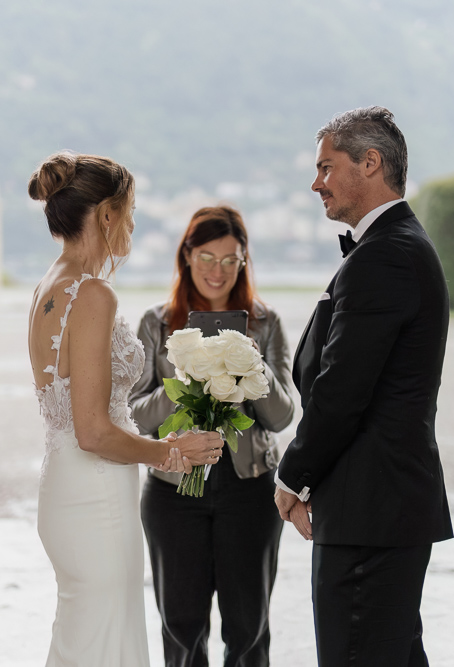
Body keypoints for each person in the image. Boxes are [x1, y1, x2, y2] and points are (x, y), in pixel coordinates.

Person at [27, 151, 223, 667]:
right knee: (106, 644)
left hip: (63, 489)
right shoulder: (92, 294)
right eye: (130, 213)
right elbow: (93, 431)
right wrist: (168, 451)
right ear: (107, 214)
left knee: (83, 639)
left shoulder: (47, 287)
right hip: (95, 499)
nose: (132, 226)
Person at [274, 107, 453, 667]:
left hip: (369, 511)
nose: (316, 182)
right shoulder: (393, 247)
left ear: (370, 163)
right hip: (379, 507)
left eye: (327, 167)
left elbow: (342, 391)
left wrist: (293, 476)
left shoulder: (386, 256)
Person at [130, 205, 296, 667]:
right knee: (181, 630)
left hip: (249, 489)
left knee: (248, 630)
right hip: (173, 492)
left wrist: (247, 362)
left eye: (230, 260)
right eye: (206, 257)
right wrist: (187, 380)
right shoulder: (158, 323)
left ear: (244, 261)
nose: (217, 271)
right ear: (186, 256)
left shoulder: (266, 323)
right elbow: (137, 418)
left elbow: (281, 416)